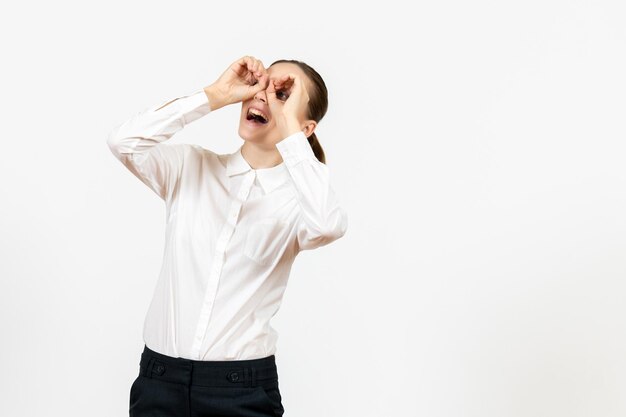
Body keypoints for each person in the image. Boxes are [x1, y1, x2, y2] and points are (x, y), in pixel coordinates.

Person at [106, 55, 348, 417]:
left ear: (307, 128)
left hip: (241, 391)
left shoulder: (299, 202)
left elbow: (328, 225)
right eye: (262, 87)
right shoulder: (191, 168)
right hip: (159, 380)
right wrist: (215, 95)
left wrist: (290, 133)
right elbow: (123, 142)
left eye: (283, 96)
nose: (263, 98)